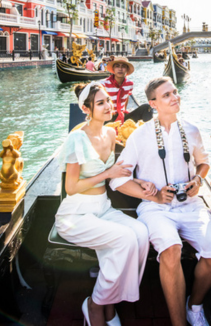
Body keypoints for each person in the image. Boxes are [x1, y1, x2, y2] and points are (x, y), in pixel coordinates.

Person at [110, 77, 211, 326]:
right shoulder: (140, 136)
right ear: (153, 103)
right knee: (171, 250)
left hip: (191, 205)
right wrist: (152, 195)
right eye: (166, 95)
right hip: (155, 208)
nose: (175, 97)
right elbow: (117, 180)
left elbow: (204, 162)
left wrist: (197, 179)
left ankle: (194, 306)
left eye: (175, 92)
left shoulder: (192, 130)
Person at [55, 82, 152, 326]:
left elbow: (125, 165)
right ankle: (96, 305)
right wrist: (107, 174)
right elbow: (71, 187)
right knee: (124, 239)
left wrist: (142, 182)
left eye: (108, 100)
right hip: (76, 214)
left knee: (141, 233)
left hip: (103, 207)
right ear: (86, 109)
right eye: (100, 103)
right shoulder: (77, 137)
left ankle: (110, 304)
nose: (108, 105)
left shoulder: (111, 133)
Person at [101, 57, 152, 124]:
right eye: (117, 66)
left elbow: (126, 99)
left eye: (123, 66)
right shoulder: (103, 84)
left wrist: (123, 111)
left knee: (146, 108)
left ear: (127, 70)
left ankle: (149, 131)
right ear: (113, 69)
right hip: (108, 117)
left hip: (121, 116)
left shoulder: (129, 84)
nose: (120, 69)